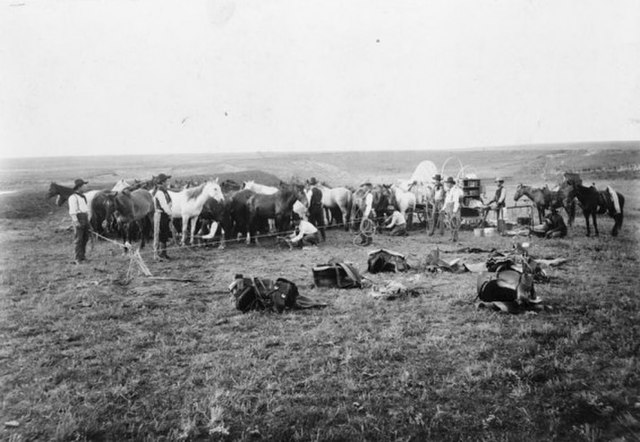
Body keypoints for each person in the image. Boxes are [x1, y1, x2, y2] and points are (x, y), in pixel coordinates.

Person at [68, 178, 90, 264]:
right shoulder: (73, 197)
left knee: (85, 238)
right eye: (84, 186)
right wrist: (76, 222)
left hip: (85, 218)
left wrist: (87, 220)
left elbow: (85, 210)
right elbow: (72, 212)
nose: (86, 187)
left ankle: (83, 256)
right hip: (78, 218)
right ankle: (77, 258)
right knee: (78, 239)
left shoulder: (83, 197)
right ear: (79, 187)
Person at [151, 173, 173, 260]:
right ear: (162, 182)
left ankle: (163, 253)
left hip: (164, 214)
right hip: (160, 215)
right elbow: (164, 205)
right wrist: (170, 214)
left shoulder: (164, 191)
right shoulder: (160, 192)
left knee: (164, 233)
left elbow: (169, 203)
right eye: (166, 180)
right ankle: (157, 254)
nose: (167, 182)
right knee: (159, 234)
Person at [441, 176, 463, 242]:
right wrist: (443, 209)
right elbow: (446, 201)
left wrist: (454, 211)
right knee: (450, 223)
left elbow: (456, 201)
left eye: (448, 183)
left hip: (453, 207)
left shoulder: (455, 191)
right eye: (447, 183)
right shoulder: (448, 191)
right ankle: (452, 237)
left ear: (451, 184)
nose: (447, 185)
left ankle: (455, 237)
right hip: (449, 207)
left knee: (454, 223)